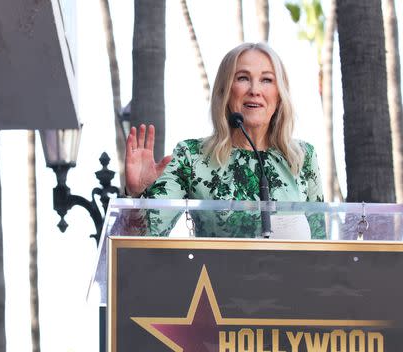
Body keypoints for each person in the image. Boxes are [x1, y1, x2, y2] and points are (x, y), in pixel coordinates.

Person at [124, 42, 324, 238]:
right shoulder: (192, 157)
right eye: (243, 78)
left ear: (279, 94)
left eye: (266, 80)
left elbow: (322, 248)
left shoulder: (302, 157)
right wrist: (140, 197)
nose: (255, 90)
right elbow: (143, 242)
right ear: (225, 91)